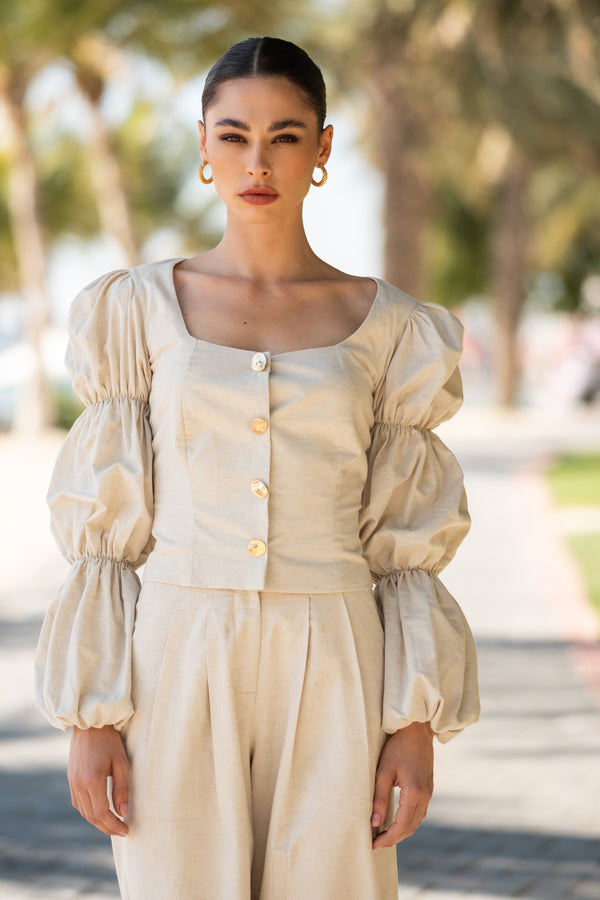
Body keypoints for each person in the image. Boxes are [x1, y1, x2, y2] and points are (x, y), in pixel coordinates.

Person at [35, 35, 480, 900]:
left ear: (322, 149)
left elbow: (405, 545)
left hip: (339, 649)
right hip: (176, 649)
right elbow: (107, 532)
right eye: (233, 135)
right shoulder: (137, 311)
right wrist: (93, 717)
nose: (257, 160)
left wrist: (413, 724)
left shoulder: (390, 327)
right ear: (203, 145)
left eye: (284, 134)